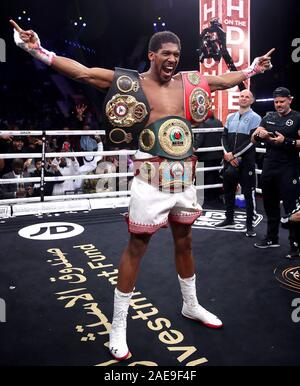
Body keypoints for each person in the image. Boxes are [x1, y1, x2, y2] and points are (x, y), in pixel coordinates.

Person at [10, 19, 274, 360]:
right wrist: (37, 50)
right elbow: (84, 73)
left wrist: (253, 68)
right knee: (137, 246)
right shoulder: (130, 82)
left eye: (177, 54)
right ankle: (117, 326)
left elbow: (224, 81)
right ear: (152, 55)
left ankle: (191, 305)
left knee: (185, 240)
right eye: (166, 53)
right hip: (149, 179)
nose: (172, 59)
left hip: (183, 177)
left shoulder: (188, 81)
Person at [251, 87, 300, 258]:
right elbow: (253, 138)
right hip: (269, 165)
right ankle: (272, 238)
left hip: (288, 167)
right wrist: (259, 135)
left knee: (291, 207)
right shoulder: (268, 117)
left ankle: (295, 245)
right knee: (270, 203)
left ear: (289, 100)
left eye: (282, 101)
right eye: (276, 102)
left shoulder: (297, 117)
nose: (278, 105)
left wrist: (286, 141)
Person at [215, 90, 261, 237]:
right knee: (228, 191)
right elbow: (223, 137)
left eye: (247, 96)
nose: (243, 98)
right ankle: (229, 219)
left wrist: (234, 155)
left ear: (252, 100)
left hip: (246, 162)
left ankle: (249, 226)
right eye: (241, 96)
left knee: (248, 193)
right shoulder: (230, 117)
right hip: (230, 161)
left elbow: (252, 142)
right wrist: (228, 155)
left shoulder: (256, 118)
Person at [194, 114, 223, 203]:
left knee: (201, 176)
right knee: (214, 175)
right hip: (217, 155)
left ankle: (200, 199)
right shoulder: (219, 122)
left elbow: (198, 141)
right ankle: (214, 198)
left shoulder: (203, 124)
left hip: (205, 156)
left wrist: (192, 148)